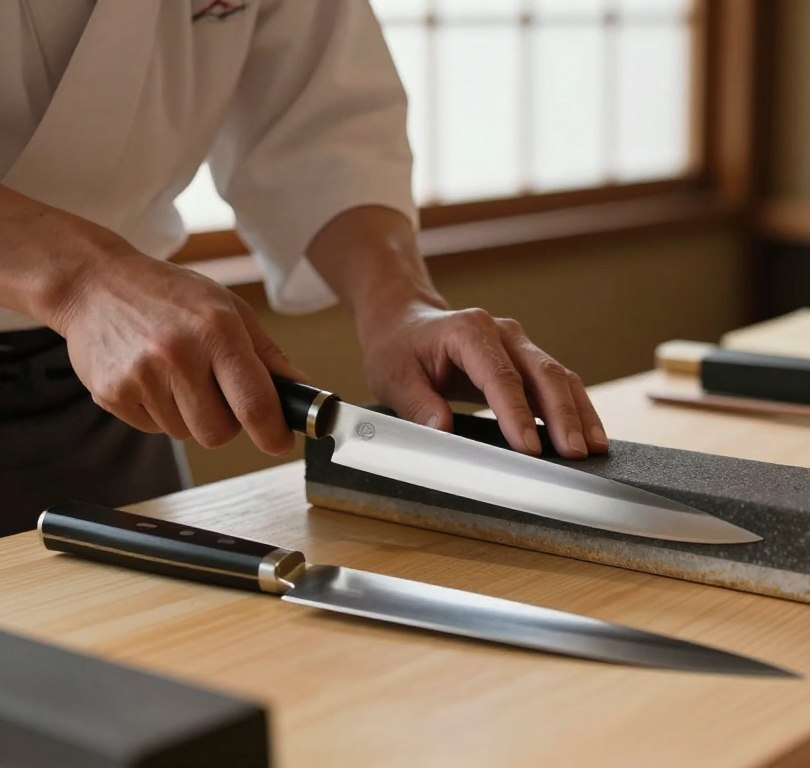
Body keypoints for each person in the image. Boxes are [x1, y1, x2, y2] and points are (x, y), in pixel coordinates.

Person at [0, 0, 608, 537]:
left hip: (119, 393)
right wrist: (81, 281)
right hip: (115, 336)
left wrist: (401, 305)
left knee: (136, 625)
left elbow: (321, 127)